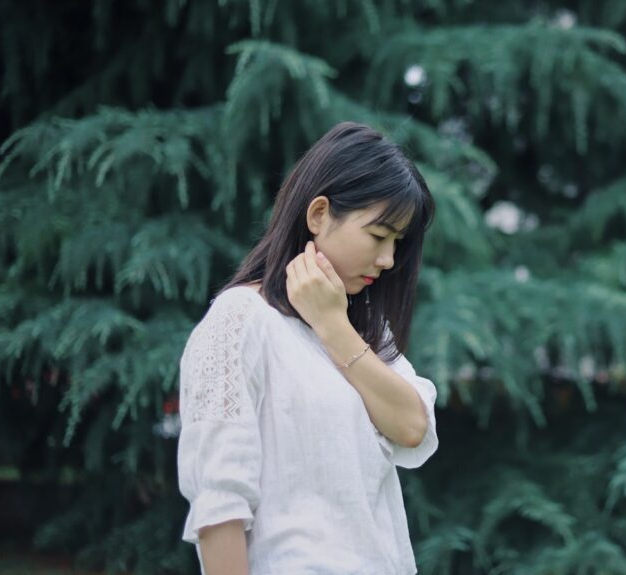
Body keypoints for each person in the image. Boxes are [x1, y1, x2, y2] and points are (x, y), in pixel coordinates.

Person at [176, 121, 439, 574]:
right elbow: (220, 506)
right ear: (318, 215)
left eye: (398, 242)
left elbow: (412, 425)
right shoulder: (241, 320)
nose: (388, 260)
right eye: (378, 236)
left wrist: (333, 326)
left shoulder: (364, 331)